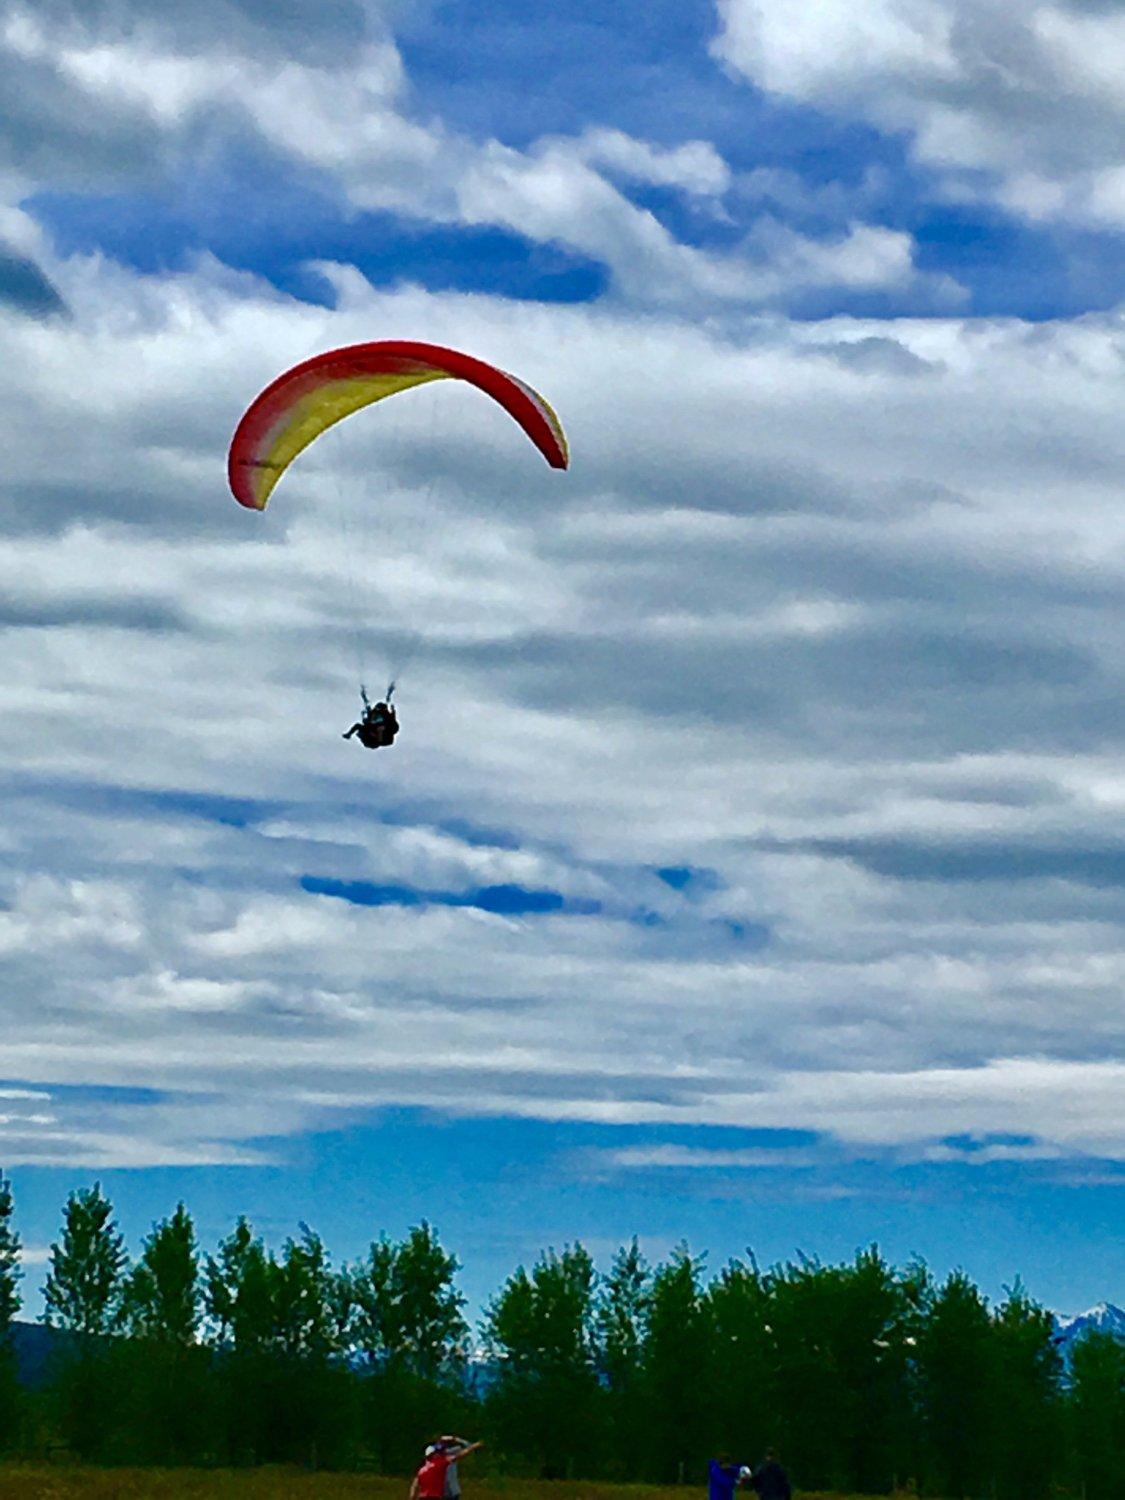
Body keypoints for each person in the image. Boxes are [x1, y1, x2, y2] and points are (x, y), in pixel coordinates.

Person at [410, 1438, 482, 1500]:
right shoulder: (439, 1463)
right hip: (435, 1497)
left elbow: (414, 1488)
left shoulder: (421, 1470)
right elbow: (459, 1456)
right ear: (434, 1455)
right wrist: (473, 1447)